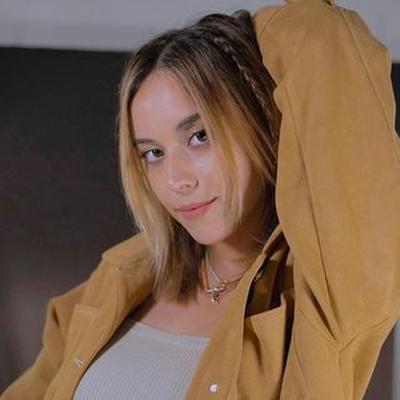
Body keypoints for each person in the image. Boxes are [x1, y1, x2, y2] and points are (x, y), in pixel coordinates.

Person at [2, 0, 400, 398]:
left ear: (259, 121)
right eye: (153, 153)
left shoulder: (323, 295)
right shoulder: (120, 277)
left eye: (199, 136)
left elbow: (323, 34)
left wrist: (236, 45)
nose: (176, 180)